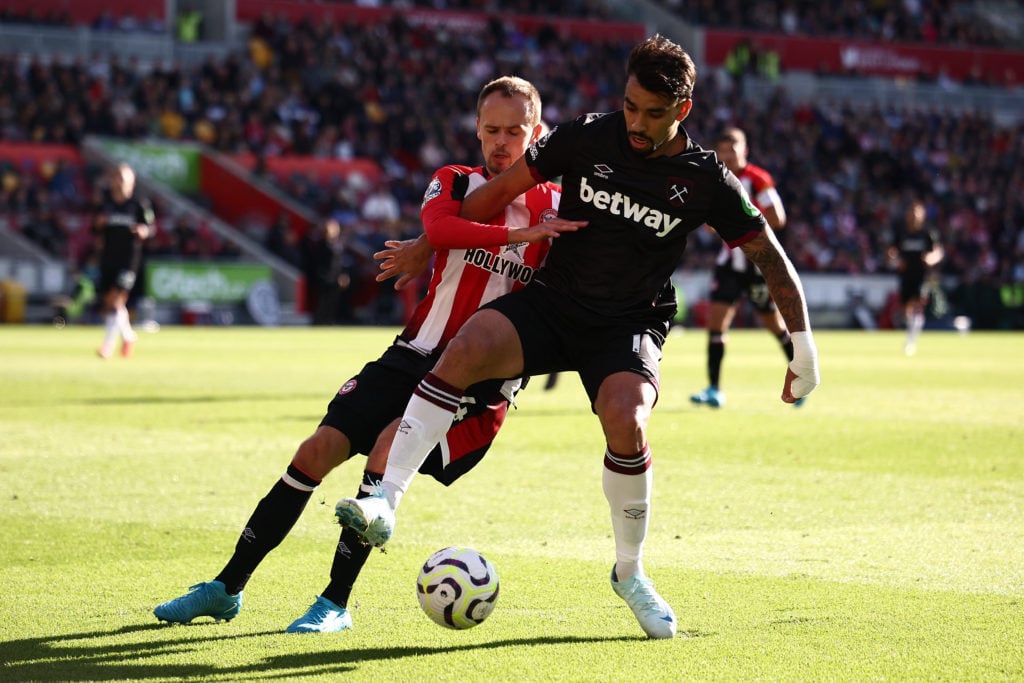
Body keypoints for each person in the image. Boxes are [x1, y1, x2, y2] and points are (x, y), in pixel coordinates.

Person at [335, 34, 820, 641]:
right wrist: (426, 243)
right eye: (630, 106)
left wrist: (804, 348)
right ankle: (387, 499)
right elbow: (493, 197)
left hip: (628, 321)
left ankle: (630, 572)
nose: (637, 124)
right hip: (555, 302)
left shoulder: (705, 179)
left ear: (683, 110)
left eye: (653, 113)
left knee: (629, 419)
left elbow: (769, 256)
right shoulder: (586, 135)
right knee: (468, 345)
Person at [153, 76, 581, 633]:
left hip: (480, 385)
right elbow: (441, 228)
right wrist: (513, 239)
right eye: (492, 129)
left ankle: (334, 602)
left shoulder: (559, 206)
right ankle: (226, 587)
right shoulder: (453, 179)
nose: (502, 142)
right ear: (476, 130)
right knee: (315, 450)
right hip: (411, 353)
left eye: (516, 131)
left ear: (538, 132)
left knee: (387, 445)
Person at [690, 127, 797, 409]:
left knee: (774, 325)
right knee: (716, 324)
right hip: (729, 265)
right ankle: (714, 389)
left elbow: (778, 217)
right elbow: (711, 223)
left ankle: (802, 377)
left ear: (744, 150)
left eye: (733, 148)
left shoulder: (758, 179)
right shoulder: (716, 179)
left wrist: (745, 225)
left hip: (756, 265)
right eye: (723, 149)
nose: (727, 154)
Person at [92, 163, 153, 359]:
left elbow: (151, 227)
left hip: (128, 260)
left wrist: (144, 231)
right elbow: (94, 230)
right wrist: (98, 224)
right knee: (111, 302)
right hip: (108, 258)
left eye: (123, 178)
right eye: (117, 177)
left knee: (116, 301)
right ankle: (128, 336)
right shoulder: (106, 205)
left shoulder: (138, 205)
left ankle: (107, 346)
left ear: (131, 182)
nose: (119, 182)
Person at [887, 199, 944, 355]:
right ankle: (910, 332)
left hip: (922, 276)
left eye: (916, 212)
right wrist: (894, 260)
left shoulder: (927, 233)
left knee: (917, 305)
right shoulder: (901, 232)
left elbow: (938, 251)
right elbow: (891, 251)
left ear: (922, 215)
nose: (913, 216)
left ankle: (911, 341)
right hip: (905, 276)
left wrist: (931, 258)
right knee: (905, 310)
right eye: (911, 212)